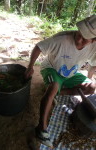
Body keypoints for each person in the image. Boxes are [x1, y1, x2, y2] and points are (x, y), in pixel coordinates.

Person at [25, 15, 96, 148]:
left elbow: (94, 64)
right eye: (79, 34)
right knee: (53, 87)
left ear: (93, 40)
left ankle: (58, 92)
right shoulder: (61, 39)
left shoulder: (94, 46)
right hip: (52, 69)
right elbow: (38, 47)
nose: (79, 39)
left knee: (91, 87)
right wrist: (30, 67)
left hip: (71, 73)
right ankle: (41, 128)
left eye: (85, 39)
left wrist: (91, 78)